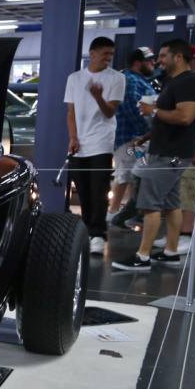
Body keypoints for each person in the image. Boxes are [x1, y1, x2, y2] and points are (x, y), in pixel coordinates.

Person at [113, 40, 195, 271]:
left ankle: (142, 257)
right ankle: (171, 251)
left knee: (149, 204)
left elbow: (185, 117)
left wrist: (154, 110)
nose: (159, 60)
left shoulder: (189, 82)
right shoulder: (176, 82)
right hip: (169, 151)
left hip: (170, 154)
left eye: (162, 56)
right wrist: (144, 138)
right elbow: (170, 118)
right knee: (172, 204)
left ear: (178, 57)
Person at [64, 36, 124, 255]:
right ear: (93, 53)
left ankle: (98, 233)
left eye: (111, 54)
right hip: (79, 142)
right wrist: (73, 137)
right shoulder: (75, 78)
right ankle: (87, 229)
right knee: (83, 188)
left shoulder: (116, 78)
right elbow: (71, 112)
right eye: (105, 53)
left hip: (102, 141)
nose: (108, 58)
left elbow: (110, 112)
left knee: (99, 189)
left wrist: (98, 97)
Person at [107, 47, 157, 221]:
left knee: (132, 175)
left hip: (132, 139)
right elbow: (131, 108)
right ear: (138, 62)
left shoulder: (135, 79)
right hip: (131, 139)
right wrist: (149, 132)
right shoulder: (132, 80)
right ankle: (113, 213)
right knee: (125, 174)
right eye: (150, 60)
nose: (154, 63)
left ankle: (127, 213)